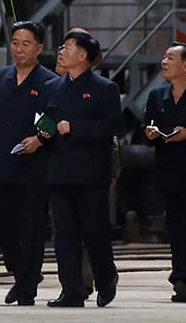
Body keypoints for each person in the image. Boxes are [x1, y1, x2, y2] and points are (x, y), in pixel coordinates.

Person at [39, 29, 121, 308]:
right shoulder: (53, 87)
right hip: (59, 172)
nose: (61, 51)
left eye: (68, 47)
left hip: (90, 174)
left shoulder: (104, 89)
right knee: (64, 235)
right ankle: (71, 289)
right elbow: (45, 120)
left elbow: (110, 127)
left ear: (83, 55)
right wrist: (44, 132)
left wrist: (75, 128)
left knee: (93, 230)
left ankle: (106, 277)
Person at [0, 19, 53, 305]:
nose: (19, 49)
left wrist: (40, 140)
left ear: (39, 48)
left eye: (26, 44)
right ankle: (23, 273)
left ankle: (26, 287)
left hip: (34, 169)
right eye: (15, 43)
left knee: (31, 229)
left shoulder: (48, 82)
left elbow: (54, 123)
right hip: (2, 166)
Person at [143, 41, 186, 302]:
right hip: (167, 171)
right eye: (164, 57)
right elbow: (146, 127)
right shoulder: (157, 96)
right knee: (175, 227)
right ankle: (182, 277)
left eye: (170, 58)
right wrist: (150, 134)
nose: (164, 62)